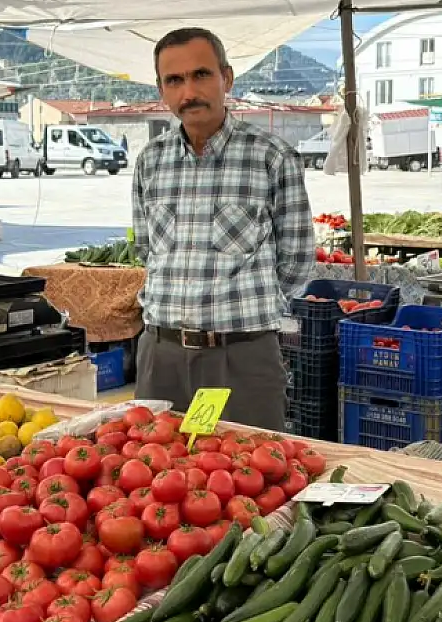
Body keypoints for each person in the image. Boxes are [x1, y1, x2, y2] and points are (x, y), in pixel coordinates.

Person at [132, 26, 313, 431]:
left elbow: (297, 262)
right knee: (154, 479)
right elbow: (146, 250)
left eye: (201, 75)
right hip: (161, 357)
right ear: (161, 90)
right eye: (174, 81)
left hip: (241, 358)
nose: (188, 92)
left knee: (252, 480)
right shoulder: (150, 161)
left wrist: (239, 313)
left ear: (226, 78)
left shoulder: (272, 157)